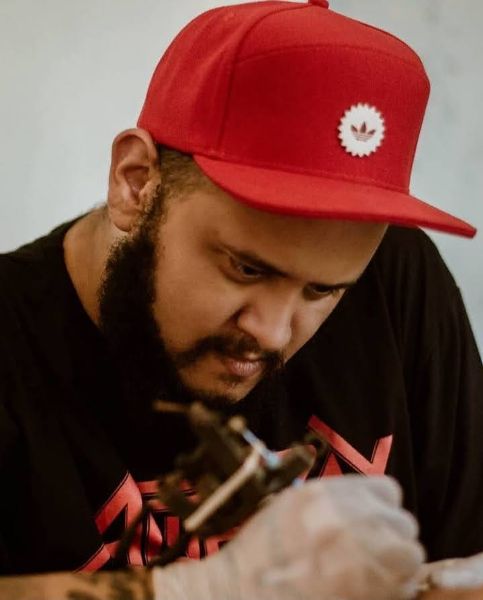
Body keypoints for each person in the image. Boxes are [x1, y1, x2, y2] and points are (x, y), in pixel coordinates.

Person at [0, 0, 481, 598]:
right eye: (246, 268)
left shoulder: (394, 276)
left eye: (322, 290)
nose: (273, 333)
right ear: (135, 182)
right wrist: (197, 591)